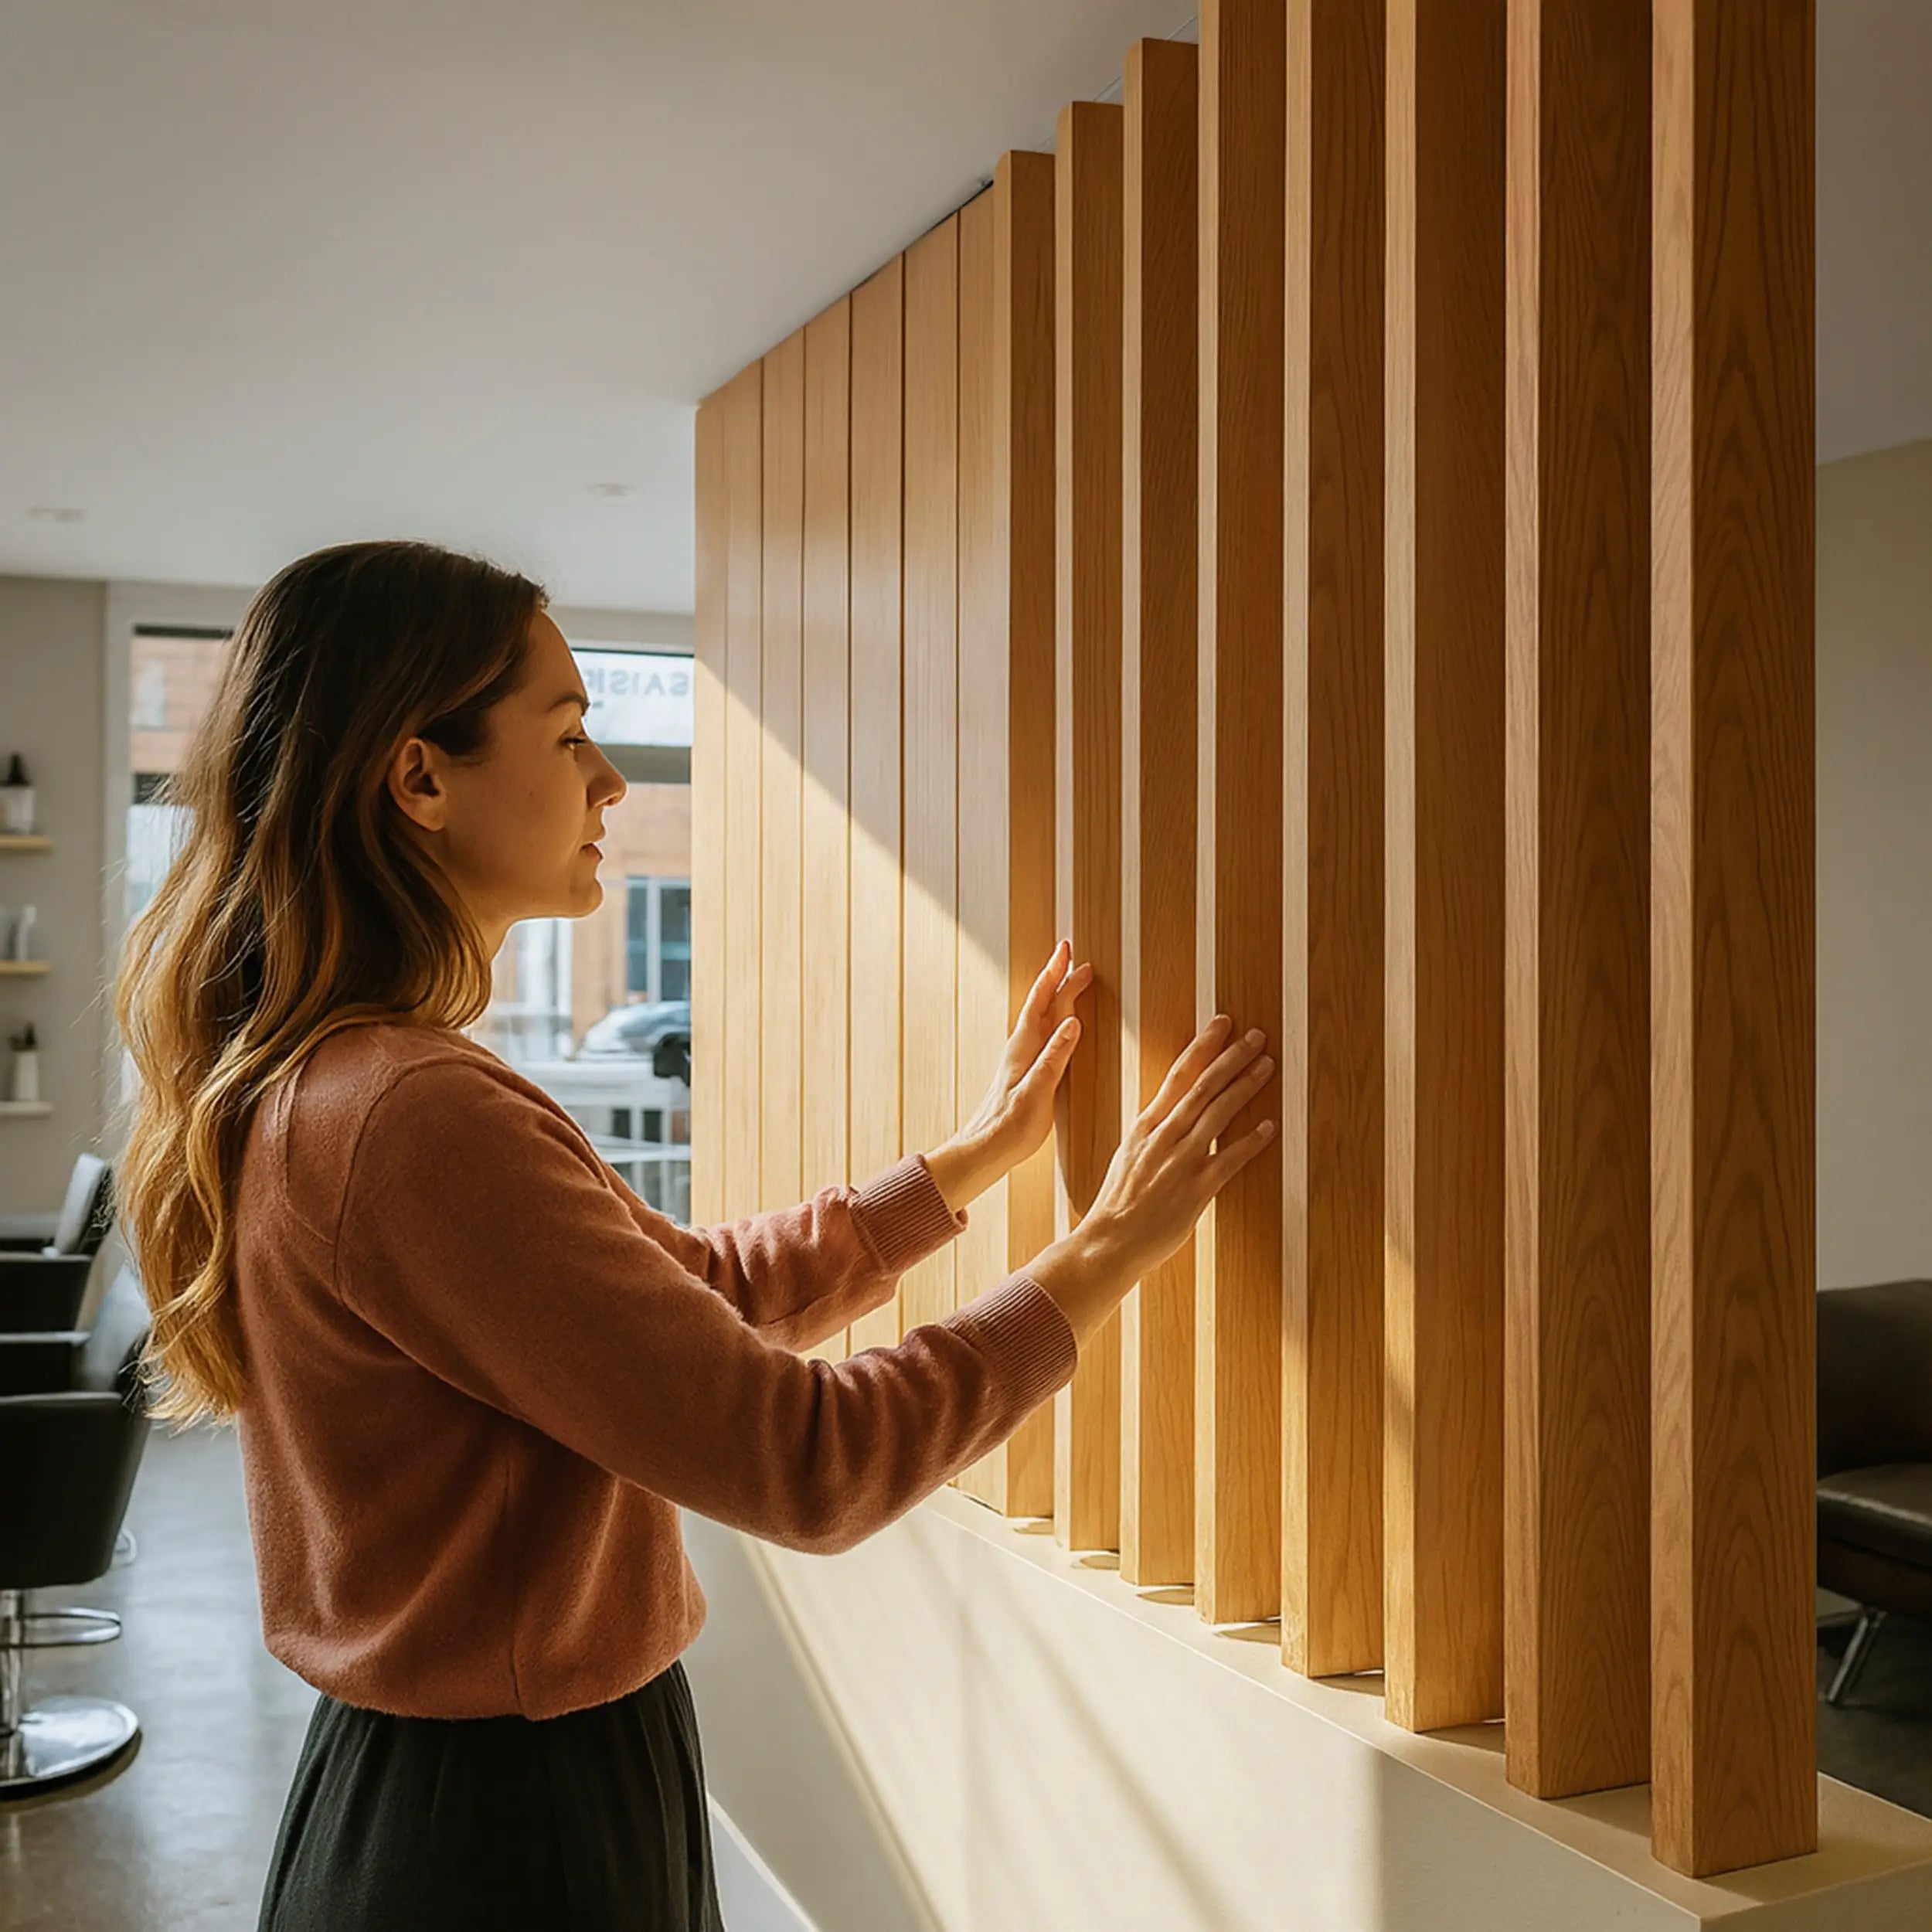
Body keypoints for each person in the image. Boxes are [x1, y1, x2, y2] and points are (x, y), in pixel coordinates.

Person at [114, 540, 1277, 1931]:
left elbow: (685, 1302)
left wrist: (967, 1165)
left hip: (458, 1793)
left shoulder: (341, 1085)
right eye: (569, 734)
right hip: (508, 1830)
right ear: (419, 779)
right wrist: (1104, 1252)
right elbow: (808, 1460)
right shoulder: (410, 1114)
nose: (614, 782)